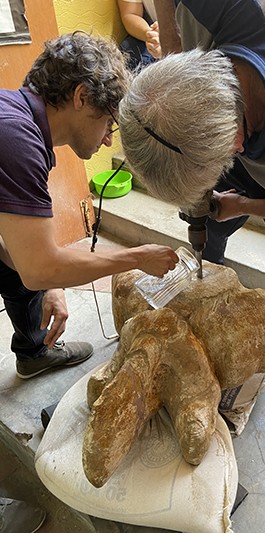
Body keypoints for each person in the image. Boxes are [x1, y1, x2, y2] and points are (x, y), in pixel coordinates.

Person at [118, 0, 265, 452]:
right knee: (208, 216)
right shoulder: (206, 17)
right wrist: (173, 51)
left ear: (236, 145)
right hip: (219, 98)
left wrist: (246, 203)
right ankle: (203, 287)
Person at [0, 31, 178, 381]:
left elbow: (16, 243)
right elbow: (38, 266)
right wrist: (138, 257)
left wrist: (51, 281)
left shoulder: (17, 118)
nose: (109, 138)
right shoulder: (16, 140)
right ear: (81, 97)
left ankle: (35, 352)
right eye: (109, 123)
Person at [118, 0, 161, 69]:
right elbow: (131, 14)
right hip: (152, 27)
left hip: (181, 26)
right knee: (130, 52)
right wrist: (151, 36)